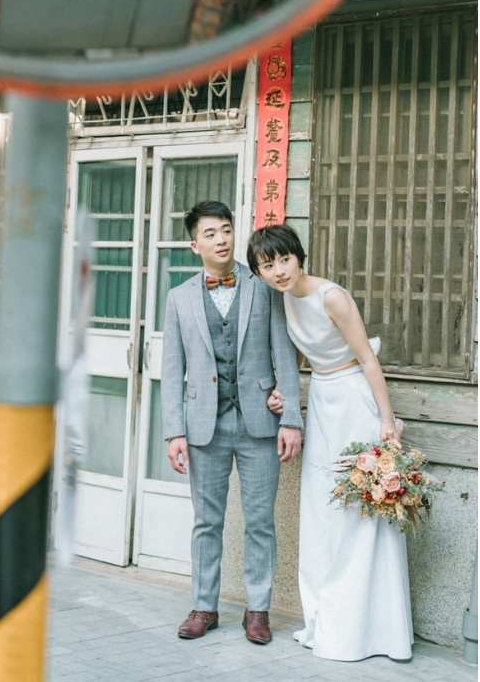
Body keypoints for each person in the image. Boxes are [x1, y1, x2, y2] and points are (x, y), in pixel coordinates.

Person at [249, 223, 414, 662]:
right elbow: (305, 355)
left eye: (285, 259)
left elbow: (366, 358)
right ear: (260, 272)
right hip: (322, 401)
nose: (280, 270)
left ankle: (371, 629)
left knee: (360, 508)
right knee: (324, 510)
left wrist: (386, 422)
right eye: (268, 265)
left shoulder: (331, 296)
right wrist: (286, 391)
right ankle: (329, 618)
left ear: (299, 256)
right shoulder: (282, 299)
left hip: (355, 400)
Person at [160, 201, 302, 645]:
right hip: (204, 426)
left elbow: (284, 354)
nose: (221, 239)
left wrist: (292, 417)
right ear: (194, 244)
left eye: (226, 230)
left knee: (260, 520)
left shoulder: (263, 286)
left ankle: (257, 612)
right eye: (210, 233)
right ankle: (204, 606)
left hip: (262, 422)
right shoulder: (179, 297)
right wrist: (174, 432)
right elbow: (171, 370)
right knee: (207, 520)